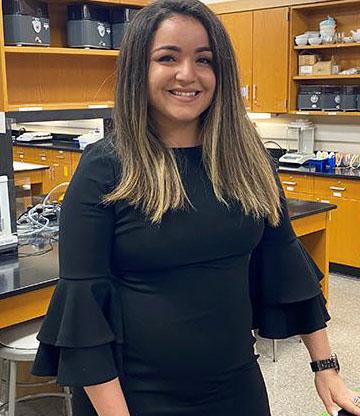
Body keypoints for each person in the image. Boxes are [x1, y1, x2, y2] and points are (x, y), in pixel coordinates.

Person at [32, 0, 360, 415]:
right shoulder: (105, 168)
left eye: (203, 60)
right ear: (139, 69)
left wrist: (325, 367)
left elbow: (284, 262)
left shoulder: (246, 158)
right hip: (133, 397)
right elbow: (84, 309)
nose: (188, 74)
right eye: (168, 57)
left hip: (237, 387)